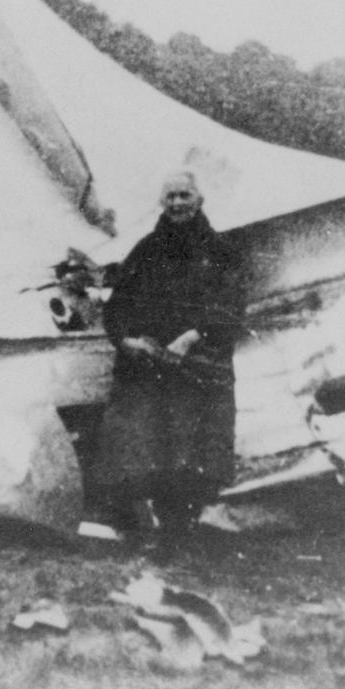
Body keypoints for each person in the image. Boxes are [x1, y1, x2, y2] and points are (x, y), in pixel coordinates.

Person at [91, 171, 245, 549]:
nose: (177, 203)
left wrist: (194, 336)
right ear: (162, 203)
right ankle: (150, 529)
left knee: (194, 452)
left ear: (199, 200)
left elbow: (232, 307)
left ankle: (186, 527)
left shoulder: (222, 252)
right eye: (171, 197)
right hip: (148, 369)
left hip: (197, 367)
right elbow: (117, 309)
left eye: (184, 195)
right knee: (145, 449)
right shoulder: (145, 250)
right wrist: (128, 341)